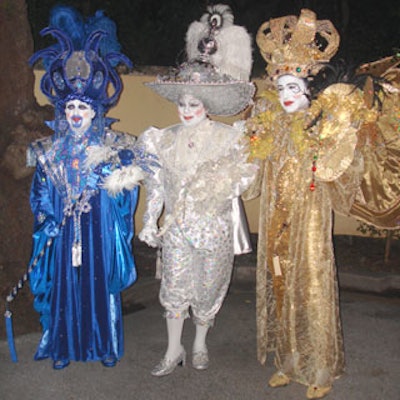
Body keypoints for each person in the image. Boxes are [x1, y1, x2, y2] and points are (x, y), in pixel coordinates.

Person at [244, 9, 400, 399]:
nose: (286, 96)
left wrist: (338, 137)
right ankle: (287, 362)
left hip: (309, 221)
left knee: (309, 291)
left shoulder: (324, 122)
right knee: (280, 288)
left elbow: (339, 170)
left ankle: (320, 369)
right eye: (280, 89)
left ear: (309, 89)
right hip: (276, 220)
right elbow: (255, 174)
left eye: (293, 87)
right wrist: (244, 146)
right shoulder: (273, 125)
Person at [26, 7, 153, 369]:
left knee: (98, 287)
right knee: (66, 286)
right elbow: (39, 192)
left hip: (97, 231)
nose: (77, 113)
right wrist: (47, 218)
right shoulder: (48, 152)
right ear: (62, 113)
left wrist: (118, 179)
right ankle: (64, 347)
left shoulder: (114, 146)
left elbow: (126, 190)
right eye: (70, 108)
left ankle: (104, 345)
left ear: (96, 111)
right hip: (64, 232)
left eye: (84, 106)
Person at [138, 4, 256, 376]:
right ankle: (173, 350)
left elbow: (242, 177)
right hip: (176, 230)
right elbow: (156, 183)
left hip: (214, 229)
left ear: (207, 105)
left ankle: (200, 344)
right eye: (183, 103)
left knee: (208, 290)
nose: (187, 110)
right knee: (174, 289)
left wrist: (213, 190)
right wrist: (149, 219)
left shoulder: (228, 138)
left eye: (195, 103)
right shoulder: (162, 139)